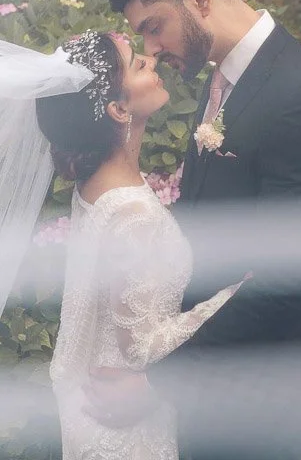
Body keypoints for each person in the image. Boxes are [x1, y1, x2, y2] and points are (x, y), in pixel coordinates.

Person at [81, 0, 301, 459]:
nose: (151, 49)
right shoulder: (228, 79)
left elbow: (288, 282)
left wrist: (157, 384)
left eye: (154, 27)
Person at [36, 29, 248, 460]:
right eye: (137, 64)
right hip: (126, 417)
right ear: (117, 108)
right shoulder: (131, 213)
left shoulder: (95, 187)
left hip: (98, 399)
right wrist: (231, 296)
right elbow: (141, 347)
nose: (152, 61)